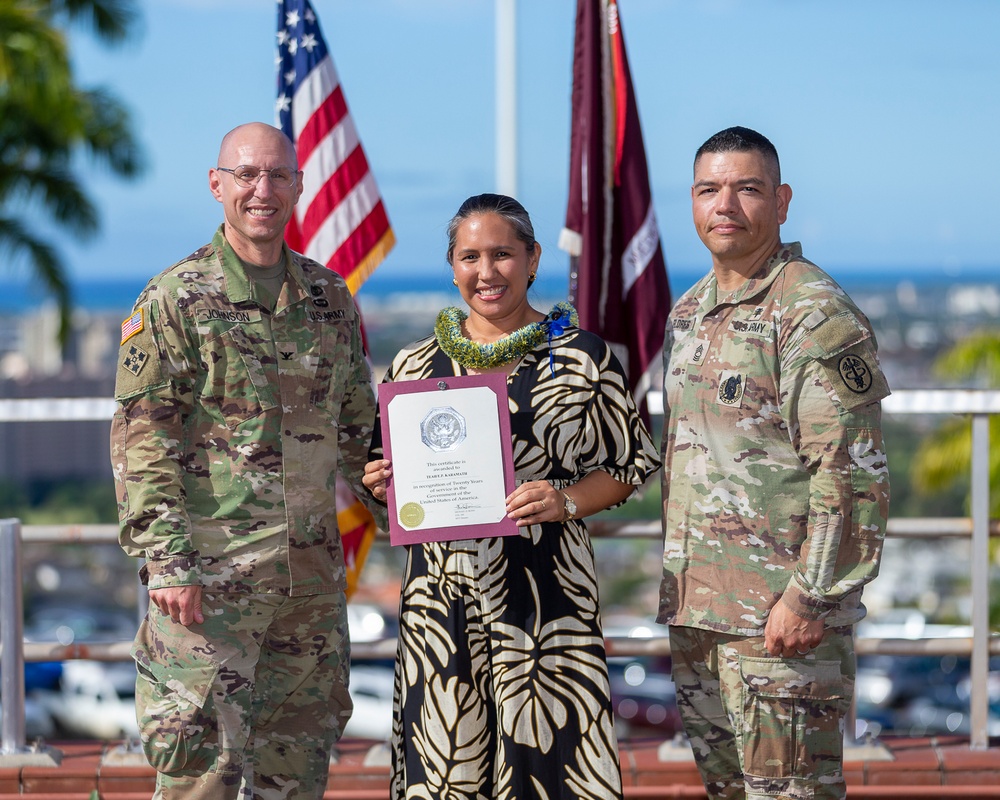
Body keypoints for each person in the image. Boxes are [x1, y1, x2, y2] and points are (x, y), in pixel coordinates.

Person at [110, 122, 384, 800]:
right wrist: (168, 561)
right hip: (210, 588)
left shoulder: (330, 299)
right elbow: (144, 441)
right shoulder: (173, 299)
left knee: (298, 771)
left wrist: (423, 511)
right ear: (217, 185)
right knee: (201, 775)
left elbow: (360, 432)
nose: (262, 190)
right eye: (246, 175)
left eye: (277, 175)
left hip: (312, 586)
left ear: (298, 185)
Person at [362, 193, 660, 800]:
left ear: (532, 259)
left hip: (547, 600)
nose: (486, 271)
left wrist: (566, 500)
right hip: (441, 607)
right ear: (451, 267)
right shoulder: (412, 367)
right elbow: (386, 489)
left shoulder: (582, 358)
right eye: (470, 256)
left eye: (502, 254)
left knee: (550, 773)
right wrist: (381, 485)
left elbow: (632, 464)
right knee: (447, 770)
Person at [657, 125, 891, 800]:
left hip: (780, 625)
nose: (725, 204)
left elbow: (851, 474)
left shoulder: (812, 313)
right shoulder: (691, 311)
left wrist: (810, 596)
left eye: (747, 188)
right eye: (709, 189)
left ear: (781, 201)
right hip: (700, 615)